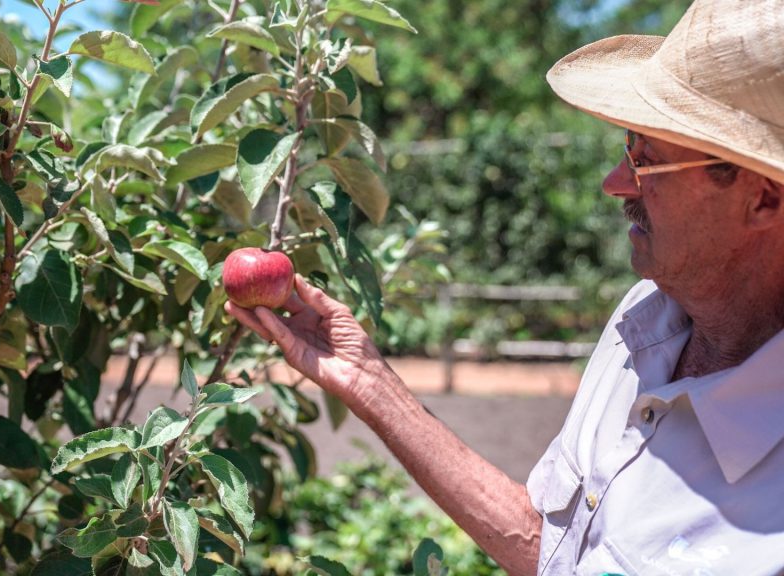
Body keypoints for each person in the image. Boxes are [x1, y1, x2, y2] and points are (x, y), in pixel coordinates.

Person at [226, 1, 784, 574]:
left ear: (762, 196)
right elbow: (551, 545)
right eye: (627, 149)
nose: (615, 184)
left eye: (648, 162)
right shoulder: (644, 319)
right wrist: (370, 383)